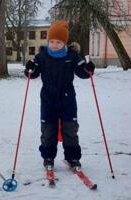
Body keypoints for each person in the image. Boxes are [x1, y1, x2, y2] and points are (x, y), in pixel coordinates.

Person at [23, 20, 96, 170]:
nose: (54, 45)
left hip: (68, 100)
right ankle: (48, 157)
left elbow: (82, 72)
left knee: (70, 130)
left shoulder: (73, 56)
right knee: (48, 130)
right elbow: (33, 74)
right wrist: (29, 69)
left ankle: (73, 158)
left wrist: (89, 69)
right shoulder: (42, 56)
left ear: (64, 42)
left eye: (58, 42)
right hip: (48, 100)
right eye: (52, 41)